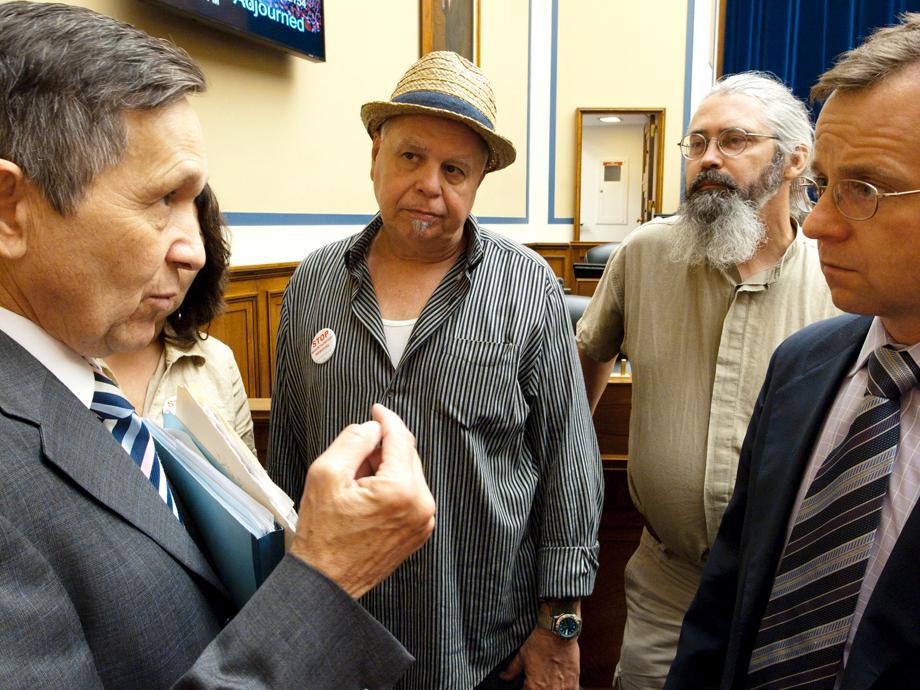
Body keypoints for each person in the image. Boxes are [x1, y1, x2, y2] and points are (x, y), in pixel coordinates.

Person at [0, 3, 435, 687]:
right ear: (10, 210)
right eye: (162, 199)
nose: (197, 251)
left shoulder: (79, 383)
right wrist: (324, 580)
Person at [268, 51, 603, 689]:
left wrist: (559, 627)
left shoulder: (529, 284)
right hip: (337, 643)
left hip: (479, 648)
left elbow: (568, 460)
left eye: (455, 169)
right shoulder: (312, 284)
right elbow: (288, 454)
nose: (429, 185)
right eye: (411, 157)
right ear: (375, 155)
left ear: (479, 182)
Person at [665, 13, 920, 690]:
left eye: (863, 189)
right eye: (828, 184)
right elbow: (723, 607)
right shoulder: (804, 366)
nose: (822, 224)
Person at [576, 72, 839, 690]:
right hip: (669, 585)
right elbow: (589, 354)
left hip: (793, 589)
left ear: (795, 160)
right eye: (697, 144)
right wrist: (576, 454)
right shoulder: (644, 254)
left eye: (734, 140)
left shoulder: (840, 278)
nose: (709, 159)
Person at [104, 184, 257, 455]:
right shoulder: (60, 359)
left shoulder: (217, 361)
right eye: (161, 230)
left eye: (196, 236)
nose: (191, 257)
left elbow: (248, 488)